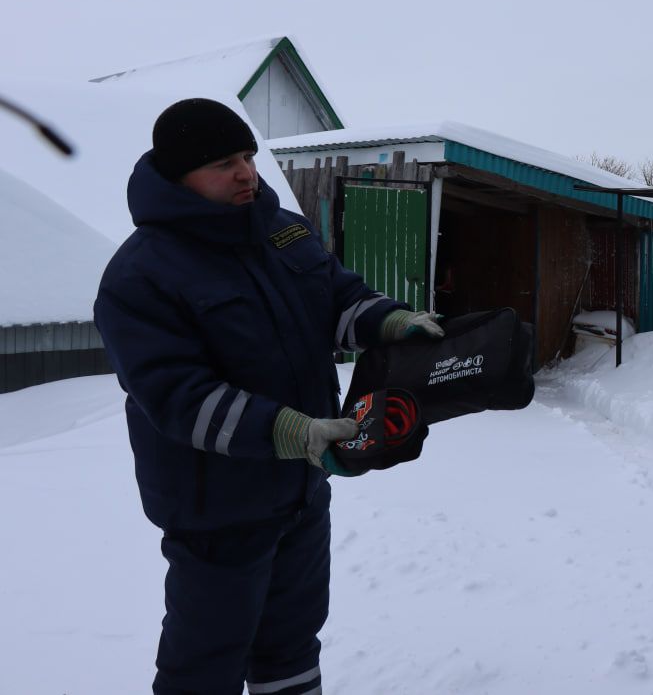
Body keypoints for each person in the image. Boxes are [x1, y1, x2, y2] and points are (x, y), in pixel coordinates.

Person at [94, 98, 444, 695]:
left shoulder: (284, 232)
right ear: (179, 176)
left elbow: (336, 299)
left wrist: (388, 322)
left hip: (302, 492)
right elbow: (179, 397)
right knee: (206, 661)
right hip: (217, 511)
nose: (246, 173)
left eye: (249, 156)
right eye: (223, 162)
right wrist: (291, 432)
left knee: (292, 641)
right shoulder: (141, 276)